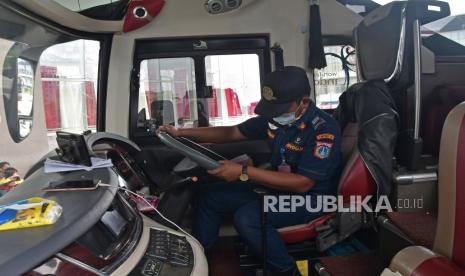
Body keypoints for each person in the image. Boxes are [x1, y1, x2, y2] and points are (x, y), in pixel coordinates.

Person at [158, 66, 342, 275]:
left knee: (248, 218)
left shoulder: (324, 129)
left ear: (304, 102)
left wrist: (243, 172)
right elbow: (233, 132)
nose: (274, 116)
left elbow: (303, 183)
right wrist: (181, 132)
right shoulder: (277, 115)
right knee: (210, 197)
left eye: (279, 110)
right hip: (278, 186)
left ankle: (287, 271)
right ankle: (200, 261)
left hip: (311, 199)